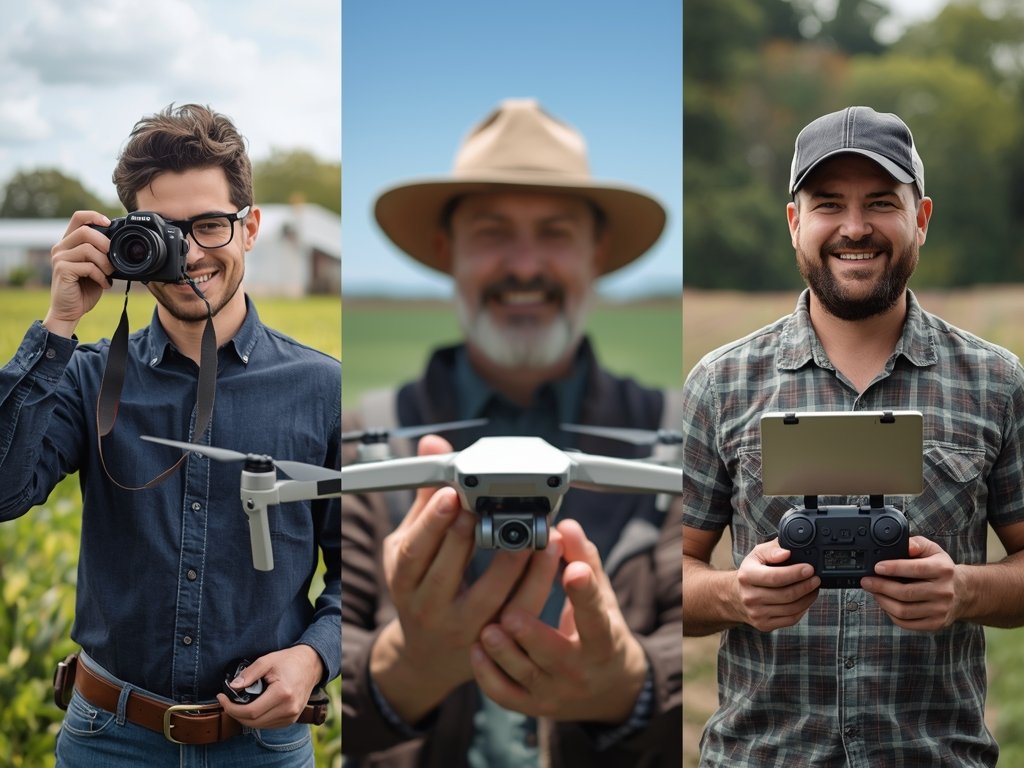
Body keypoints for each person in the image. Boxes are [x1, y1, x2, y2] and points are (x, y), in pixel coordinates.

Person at [341, 98, 682, 767]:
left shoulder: (672, 435)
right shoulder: (368, 437)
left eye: (555, 232)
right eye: (492, 232)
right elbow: (314, 651)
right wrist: (407, 666)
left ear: (596, 252)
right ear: (447, 251)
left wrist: (629, 687)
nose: (525, 266)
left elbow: (712, 642)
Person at [682, 105, 1024, 766]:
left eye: (881, 203)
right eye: (828, 204)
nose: (855, 227)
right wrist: (734, 594)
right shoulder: (720, 383)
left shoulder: (997, 382)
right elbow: (666, 576)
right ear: (795, 223)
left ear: (921, 218)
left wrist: (963, 589)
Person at [0, 104, 341, 766]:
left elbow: (362, 571)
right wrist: (58, 326)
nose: (189, 254)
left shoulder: (323, 389)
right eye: (164, 230)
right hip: (108, 738)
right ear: (126, 239)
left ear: (250, 228)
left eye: (210, 225)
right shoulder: (86, 377)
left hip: (262, 747)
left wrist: (314, 656)